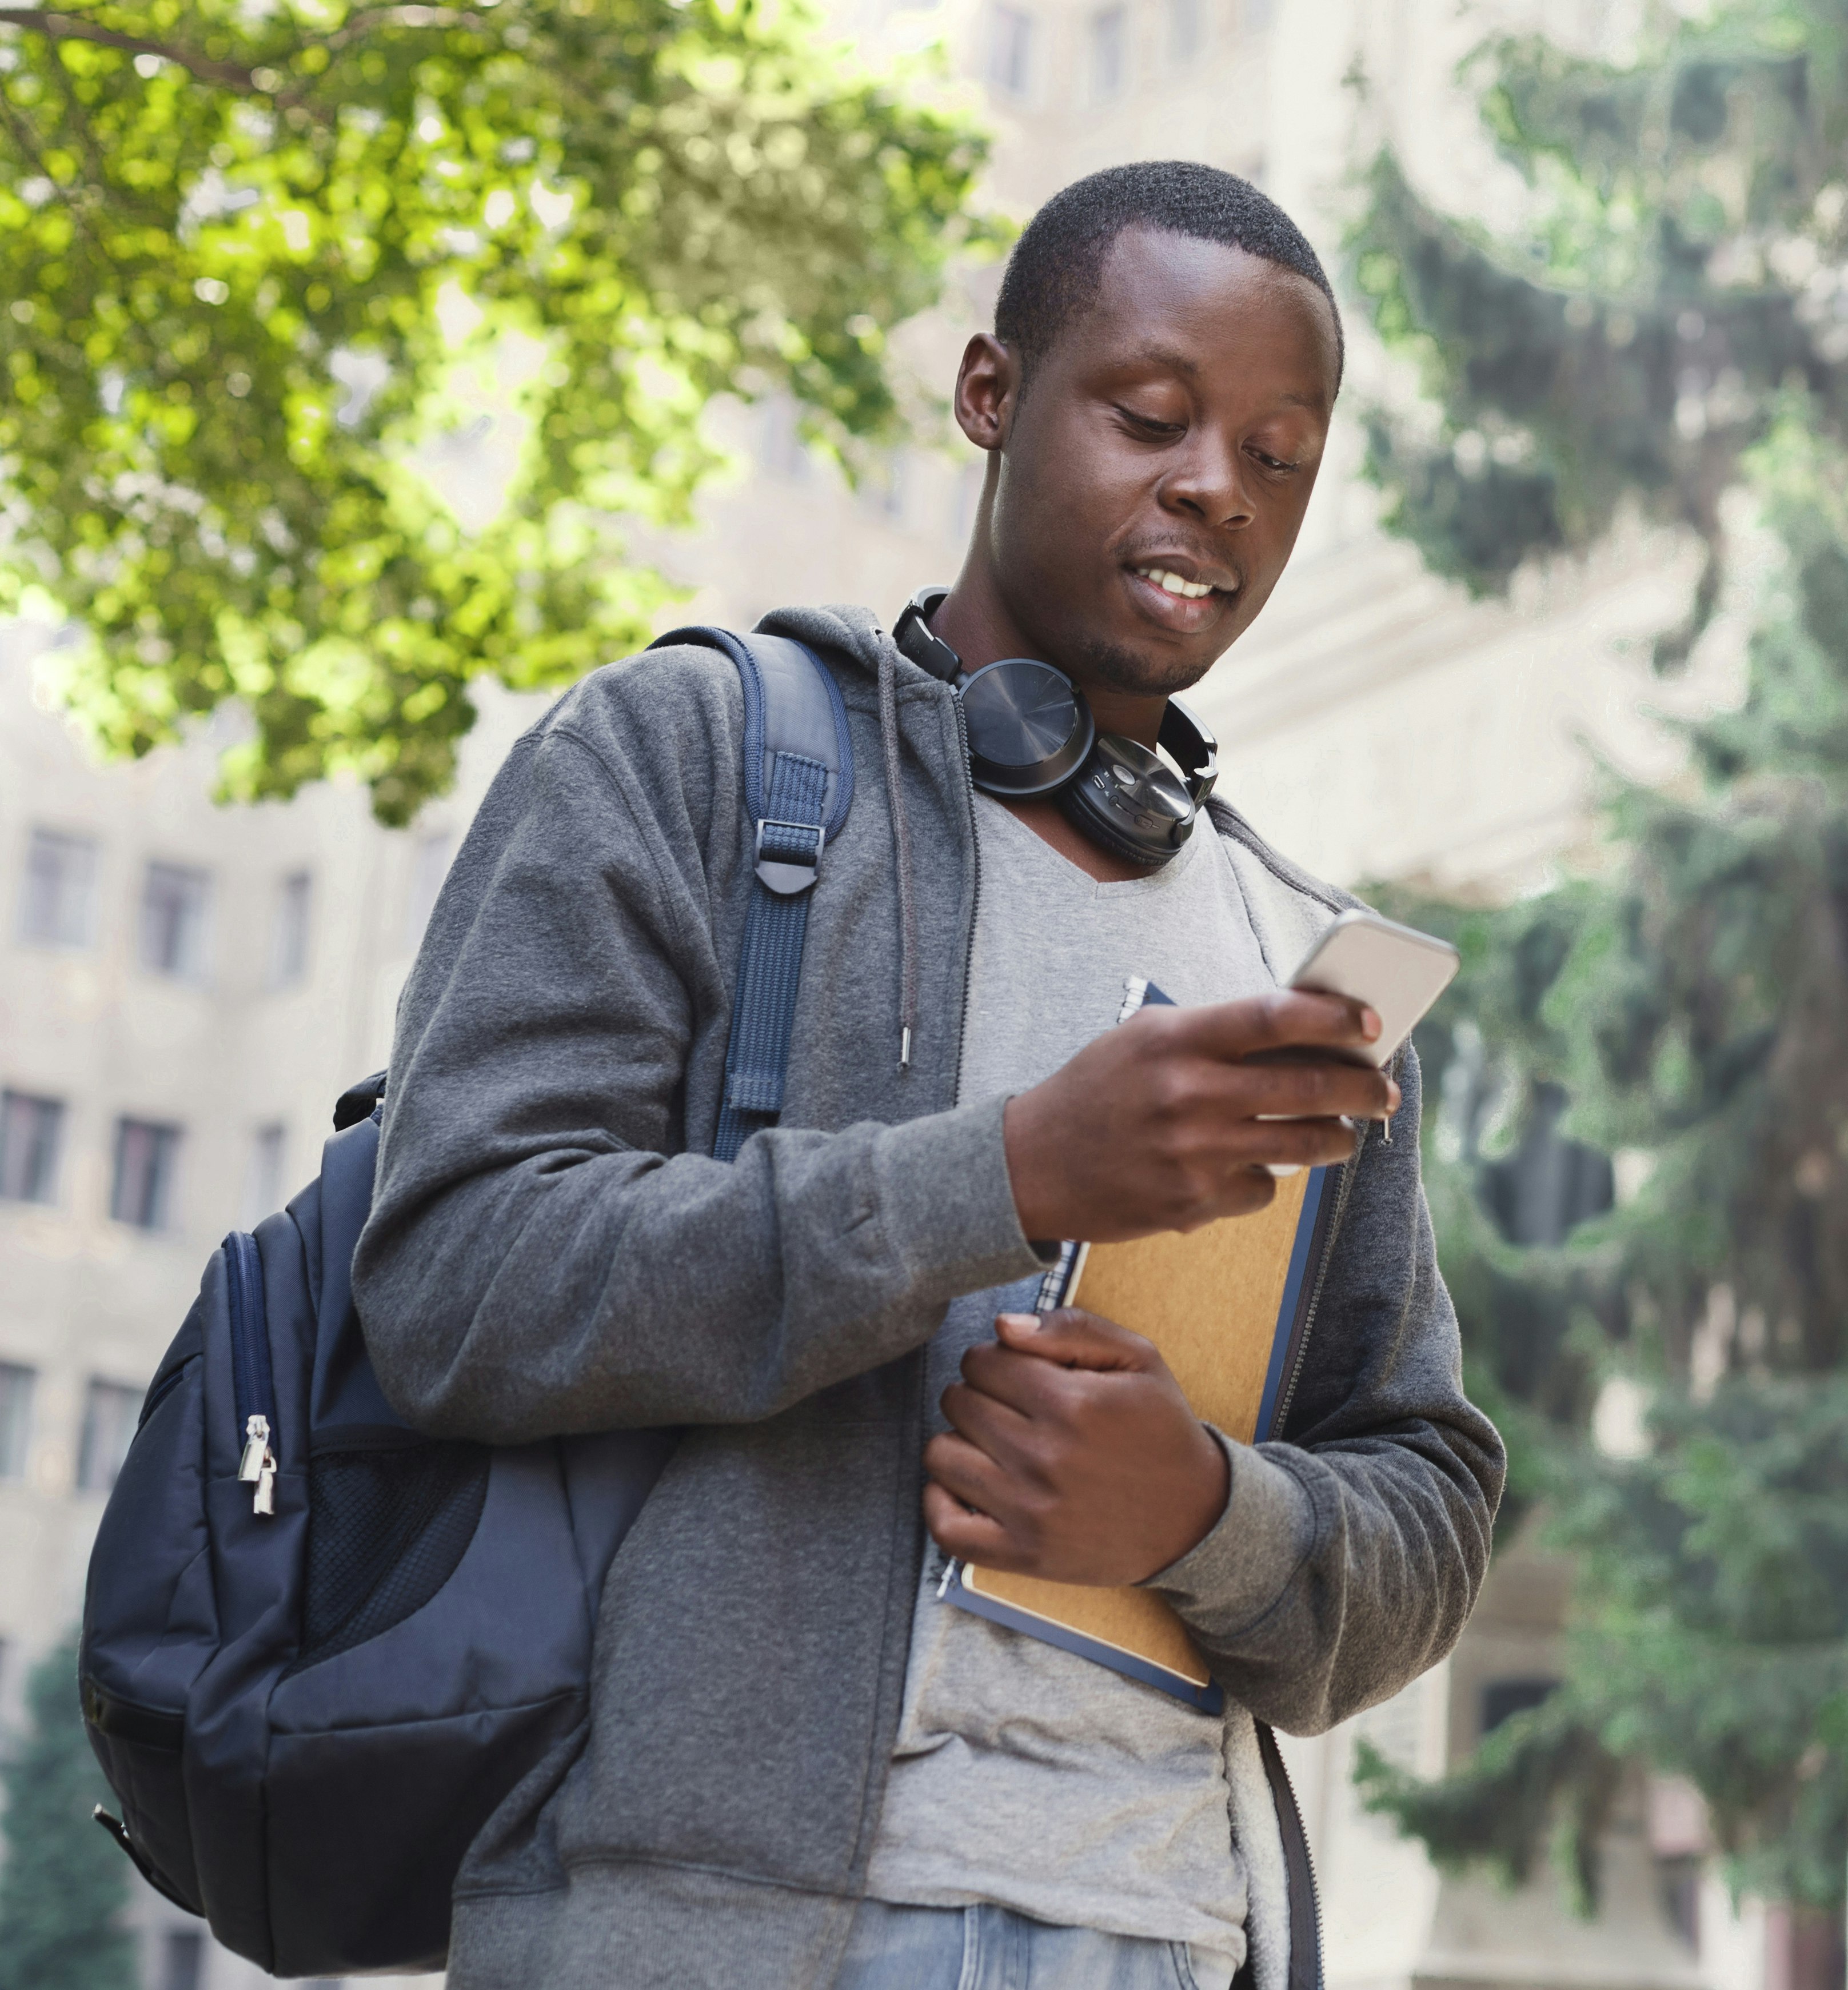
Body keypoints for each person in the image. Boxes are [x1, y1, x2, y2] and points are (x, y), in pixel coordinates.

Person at [353, 161, 1503, 1990]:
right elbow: (459, 1280)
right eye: (1152, 414)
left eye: (1280, 455)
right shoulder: (687, 763)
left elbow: (1430, 1498)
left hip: (1177, 1934)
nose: (1217, 482)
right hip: (720, 1933)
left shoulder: (1303, 959)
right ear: (992, 396)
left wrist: (1206, 1513)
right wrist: (1014, 1174)